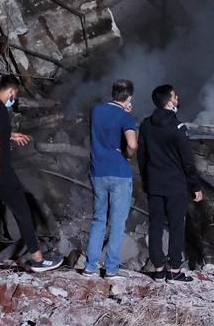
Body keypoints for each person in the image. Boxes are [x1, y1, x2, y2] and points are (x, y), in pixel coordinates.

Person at [0, 75, 64, 278]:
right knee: (22, 210)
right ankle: (38, 260)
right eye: (15, 95)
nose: (14, 98)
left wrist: (10, 134)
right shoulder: (0, 108)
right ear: (12, 91)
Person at [136, 83, 203, 282]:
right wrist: (195, 186)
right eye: (174, 96)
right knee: (176, 226)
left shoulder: (146, 125)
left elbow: (142, 156)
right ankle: (174, 270)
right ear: (168, 101)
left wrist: (145, 181)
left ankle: (158, 269)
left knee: (155, 225)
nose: (177, 99)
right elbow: (187, 161)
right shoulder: (177, 127)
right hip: (175, 185)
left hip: (154, 184)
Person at [83, 79, 138, 277]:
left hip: (98, 171)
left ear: (113, 93)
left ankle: (90, 265)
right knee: (117, 222)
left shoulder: (95, 111)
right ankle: (111, 268)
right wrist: (128, 156)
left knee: (99, 219)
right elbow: (132, 144)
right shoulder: (126, 117)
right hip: (119, 173)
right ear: (129, 97)